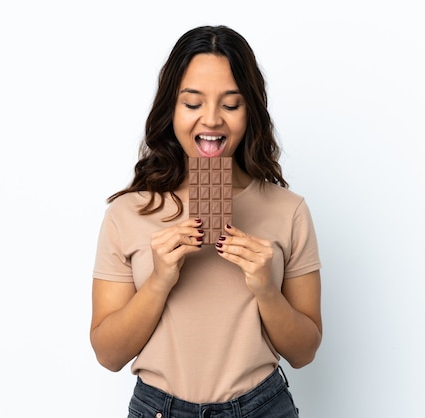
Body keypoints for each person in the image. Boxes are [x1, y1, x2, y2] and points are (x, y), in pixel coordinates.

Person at [90, 25, 322, 418]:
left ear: (250, 111)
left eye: (230, 105)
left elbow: (304, 352)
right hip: (159, 408)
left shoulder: (289, 210)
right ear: (170, 109)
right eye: (192, 103)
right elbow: (109, 355)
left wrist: (266, 288)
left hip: (262, 407)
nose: (211, 120)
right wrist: (160, 279)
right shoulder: (127, 214)